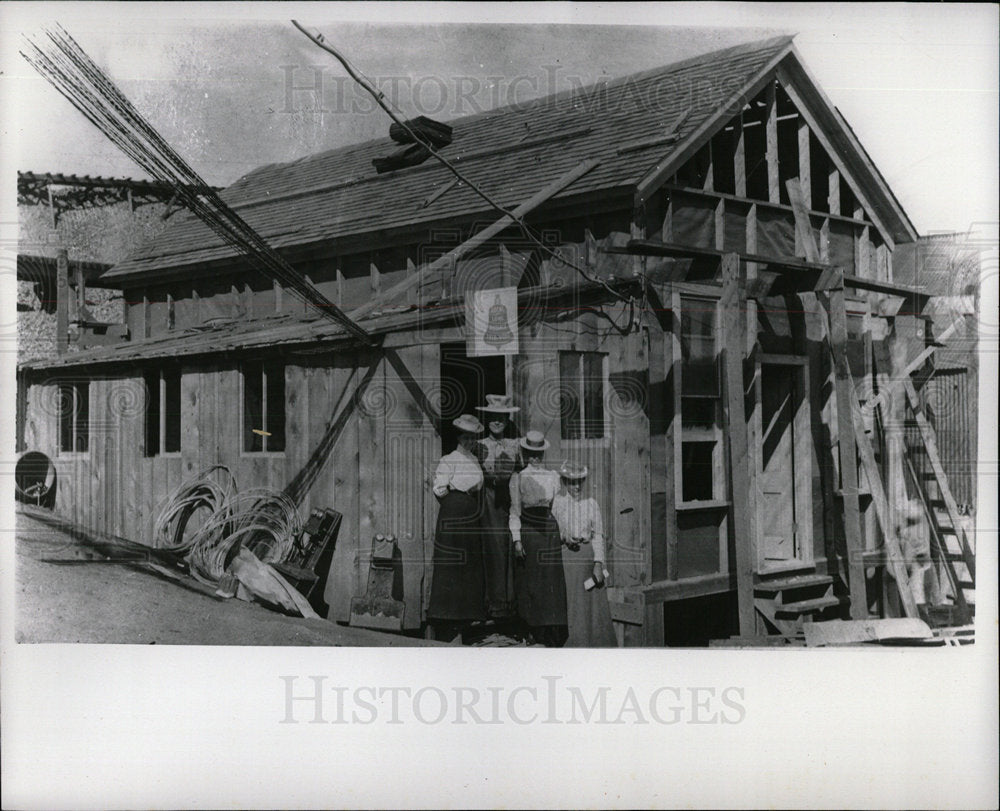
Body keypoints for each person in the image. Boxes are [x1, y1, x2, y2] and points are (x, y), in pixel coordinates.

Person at [427, 414, 487, 642]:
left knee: (469, 566)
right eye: (465, 437)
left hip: (471, 513)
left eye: (472, 438)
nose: (469, 441)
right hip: (453, 511)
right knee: (452, 564)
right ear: (458, 437)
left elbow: (478, 485)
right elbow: (439, 489)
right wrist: (455, 502)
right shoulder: (449, 460)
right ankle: (447, 619)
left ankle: (466, 619)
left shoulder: (474, 460)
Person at [509, 431, 567, 647]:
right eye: (531, 454)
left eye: (538, 454)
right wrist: (517, 539)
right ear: (525, 454)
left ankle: (551, 632)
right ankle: (532, 631)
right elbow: (514, 512)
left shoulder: (553, 477)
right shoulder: (519, 478)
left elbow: (557, 508)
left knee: (550, 583)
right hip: (529, 532)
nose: (535, 458)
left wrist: (563, 533)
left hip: (548, 531)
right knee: (531, 583)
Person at [551, 460, 617, 648]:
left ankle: (596, 644)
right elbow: (553, 530)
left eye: (580, 481)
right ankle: (575, 645)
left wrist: (598, 563)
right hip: (568, 559)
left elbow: (598, 536)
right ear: (564, 482)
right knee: (574, 604)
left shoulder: (591, 504)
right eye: (572, 482)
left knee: (593, 604)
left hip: (588, 558)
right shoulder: (557, 503)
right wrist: (564, 536)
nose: (577, 486)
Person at [475, 394, 521, 619]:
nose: (497, 421)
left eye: (501, 417)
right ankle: (491, 604)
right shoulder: (479, 445)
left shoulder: (515, 445)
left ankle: (510, 604)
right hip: (488, 502)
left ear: (507, 419)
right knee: (492, 549)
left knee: (510, 547)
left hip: (510, 501)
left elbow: (521, 474)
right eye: (493, 417)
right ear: (487, 418)